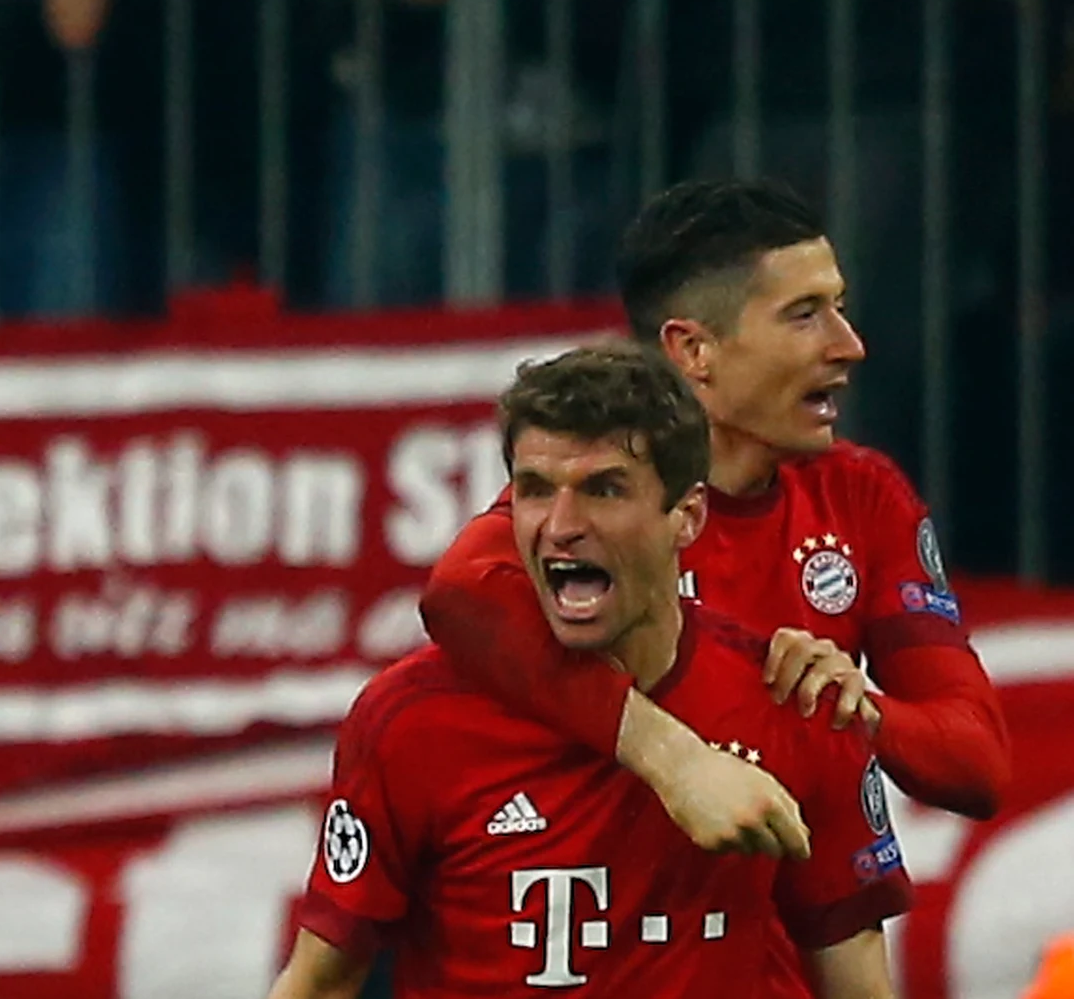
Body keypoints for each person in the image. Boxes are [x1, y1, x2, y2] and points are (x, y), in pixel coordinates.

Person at [268, 345, 911, 999]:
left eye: (605, 489)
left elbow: (858, 988)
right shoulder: (411, 720)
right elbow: (318, 985)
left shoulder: (790, 698)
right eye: (536, 489)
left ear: (687, 515)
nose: (562, 525)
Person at [422, 178, 1010, 848]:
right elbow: (458, 593)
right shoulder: (601, 490)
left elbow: (978, 761)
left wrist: (860, 706)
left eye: (839, 307)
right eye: (805, 314)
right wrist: (672, 755)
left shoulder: (861, 494)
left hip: (795, 923)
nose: (849, 344)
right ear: (694, 350)